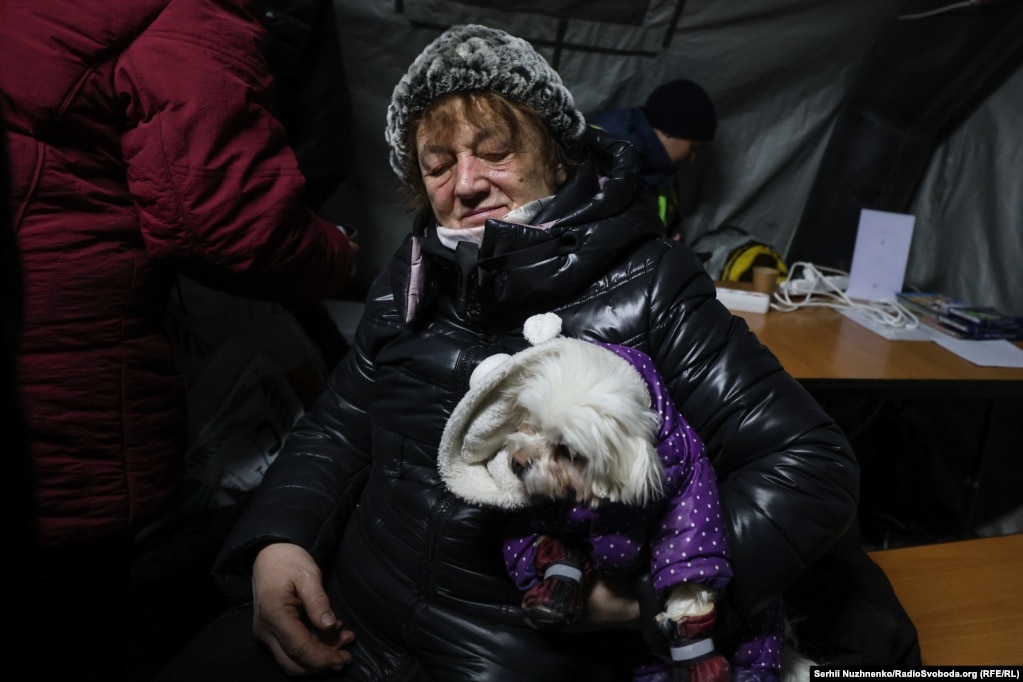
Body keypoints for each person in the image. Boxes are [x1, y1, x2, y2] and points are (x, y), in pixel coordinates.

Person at [157, 24, 919, 682]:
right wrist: (280, 540)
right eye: (436, 165)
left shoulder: (649, 284)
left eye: (494, 152)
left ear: (554, 156)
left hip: (512, 651)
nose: (465, 184)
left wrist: (652, 599)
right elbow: (341, 419)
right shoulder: (412, 271)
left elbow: (810, 464)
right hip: (353, 610)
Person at [0, 1, 357, 680]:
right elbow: (229, 223)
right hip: (60, 352)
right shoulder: (185, 13)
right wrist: (337, 255)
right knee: (73, 612)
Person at [589, 78, 717, 239]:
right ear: (671, 130)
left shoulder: (661, 173)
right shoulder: (598, 151)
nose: (692, 158)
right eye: (694, 147)